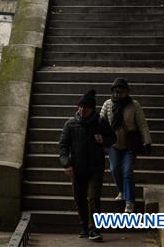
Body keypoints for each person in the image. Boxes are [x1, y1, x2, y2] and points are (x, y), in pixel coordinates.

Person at [59, 88, 115, 242]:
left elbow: (113, 138)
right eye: (81, 107)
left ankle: (94, 229)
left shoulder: (100, 122)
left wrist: (103, 139)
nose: (83, 110)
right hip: (77, 169)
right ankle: (84, 226)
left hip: (95, 168)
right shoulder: (70, 125)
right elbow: (63, 146)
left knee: (93, 197)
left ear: (92, 109)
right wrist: (66, 164)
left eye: (86, 107)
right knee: (79, 198)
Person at [100, 78, 152, 214]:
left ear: (126, 92)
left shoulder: (134, 105)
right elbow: (101, 122)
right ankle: (122, 190)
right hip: (113, 143)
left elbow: (142, 124)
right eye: (116, 92)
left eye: (121, 92)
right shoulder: (107, 105)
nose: (118, 95)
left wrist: (147, 141)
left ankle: (129, 201)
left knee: (127, 172)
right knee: (114, 168)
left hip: (130, 143)